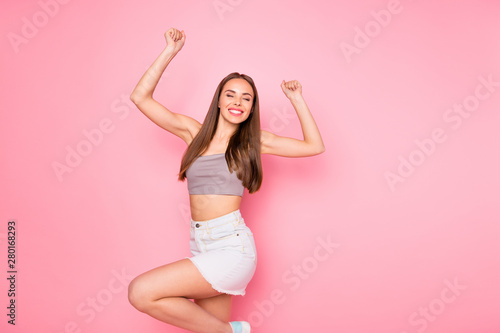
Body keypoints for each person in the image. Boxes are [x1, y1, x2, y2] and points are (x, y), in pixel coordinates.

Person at [127, 27, 325, 333]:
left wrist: (296, 99)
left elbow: (314, 146)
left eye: (246, 98)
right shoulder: (192, 133)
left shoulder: (254, 142)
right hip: (201, 245)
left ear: (250, 109)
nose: (238, 101)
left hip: (233, 247)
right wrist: (171, 50)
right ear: (218, 100)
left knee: (141, 291)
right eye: (230, 94)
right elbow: (140, 97)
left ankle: (237, 331)